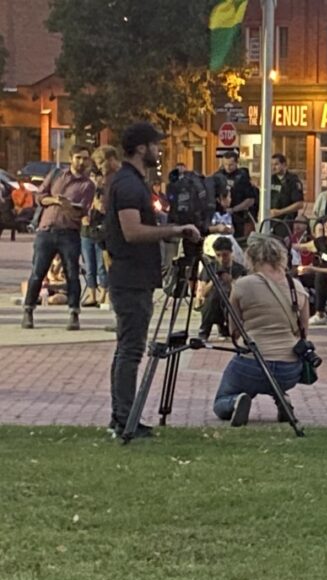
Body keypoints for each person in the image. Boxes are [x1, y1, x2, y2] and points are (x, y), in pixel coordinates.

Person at [105, 122, 202, 438]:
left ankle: (122, 415)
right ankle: (125, 418)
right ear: (141, 148)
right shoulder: (129, 185)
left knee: (127, 348)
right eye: (155, 145)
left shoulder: (130, 182)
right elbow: (132, 231)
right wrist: (173, 230)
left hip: (132, 277)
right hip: (130, 278)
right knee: (131, 349)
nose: (159, 151)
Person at [212, 236, 307, 426]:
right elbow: (303, 332)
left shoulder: (242, 285)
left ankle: (235, 401)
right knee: (273, 377)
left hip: (251, 363)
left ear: (251, 258)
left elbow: (234, 330)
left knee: (221, 401)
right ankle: (282, 397)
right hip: (289, 368)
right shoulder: (297, 287)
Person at [21, 144, 95, 331]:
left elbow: (83, 210)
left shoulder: (87, 185)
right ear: (71, 158)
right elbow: (40, 197)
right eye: (78, 157)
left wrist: (68, 206)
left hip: (69, 232)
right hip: (46, 230)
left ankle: (73, 313)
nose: (81, 162)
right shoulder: (56, 175)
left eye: (85, 158)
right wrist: (55, 200)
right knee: (38, 272)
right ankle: (28, 310)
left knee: (72, 273)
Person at [83, 145, 121, 308]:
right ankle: (106, 299)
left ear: (111, 160)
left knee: (108, 266)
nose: (99, 168)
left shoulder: (119, 180)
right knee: (97, 265)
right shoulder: (99, 184)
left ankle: (111, 299)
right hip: (97, 229)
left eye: (100, 163)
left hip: (113, 229)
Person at [197, 236, 247, 341]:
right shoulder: (210, 268)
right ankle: (205, 330)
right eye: (218, 255)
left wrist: (230, 282)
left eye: (225, 255)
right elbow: (202, 293)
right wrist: (213, 282)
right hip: (213, 302)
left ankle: (226, 329)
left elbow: (243, 292)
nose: (222, 259)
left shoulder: (239, 269)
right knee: (212, 298)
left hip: (231, 301)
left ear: (231, 253)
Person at [213, 149, 258, 234]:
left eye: (231, 165)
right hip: (220, 216)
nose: (228, 167)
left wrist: (233, 209)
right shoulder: (218, 176)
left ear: (237, 163)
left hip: (238, 216)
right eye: (225, 164)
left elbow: (251, 200)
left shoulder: (242, 177)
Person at [269, 154, 304, 222]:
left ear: (284, 164)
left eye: (276, 164)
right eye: (272, 165)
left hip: (286, 220)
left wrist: (280, 212)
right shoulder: (270, 180)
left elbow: (299, 204)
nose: (273, 167)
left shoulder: (293, 180)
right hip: (270, 219)